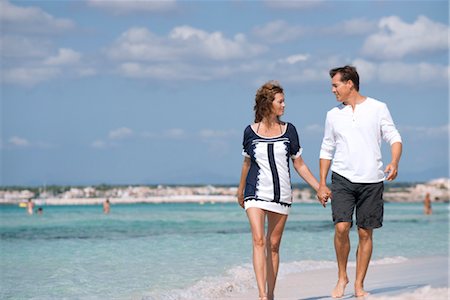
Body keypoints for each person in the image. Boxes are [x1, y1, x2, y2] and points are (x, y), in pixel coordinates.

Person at [317, 65, 402, 298]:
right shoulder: (333, 115)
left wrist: (394, 161)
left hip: (372, 180)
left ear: (349, 84)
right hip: (342, 178)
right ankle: (342, 275)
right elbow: (326, 148)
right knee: (342, 227)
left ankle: (358, 284)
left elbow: (394, 137)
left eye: (336, 85)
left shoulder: (378, 108)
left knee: (365, 233)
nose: (333, 90)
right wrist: (322, 183)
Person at [237, 80, 322, 300]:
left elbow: (299, 163)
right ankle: (262, 295)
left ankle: (272, 294)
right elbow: (247, 163)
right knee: (258, 240)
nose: (284, 105)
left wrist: (318, 187)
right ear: (268, 104)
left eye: (284, 101)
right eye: (280, 101)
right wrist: (240, 191)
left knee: (273, 246)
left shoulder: (289, 130)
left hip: (281, 194)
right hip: (254, 192)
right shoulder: (250, 132)